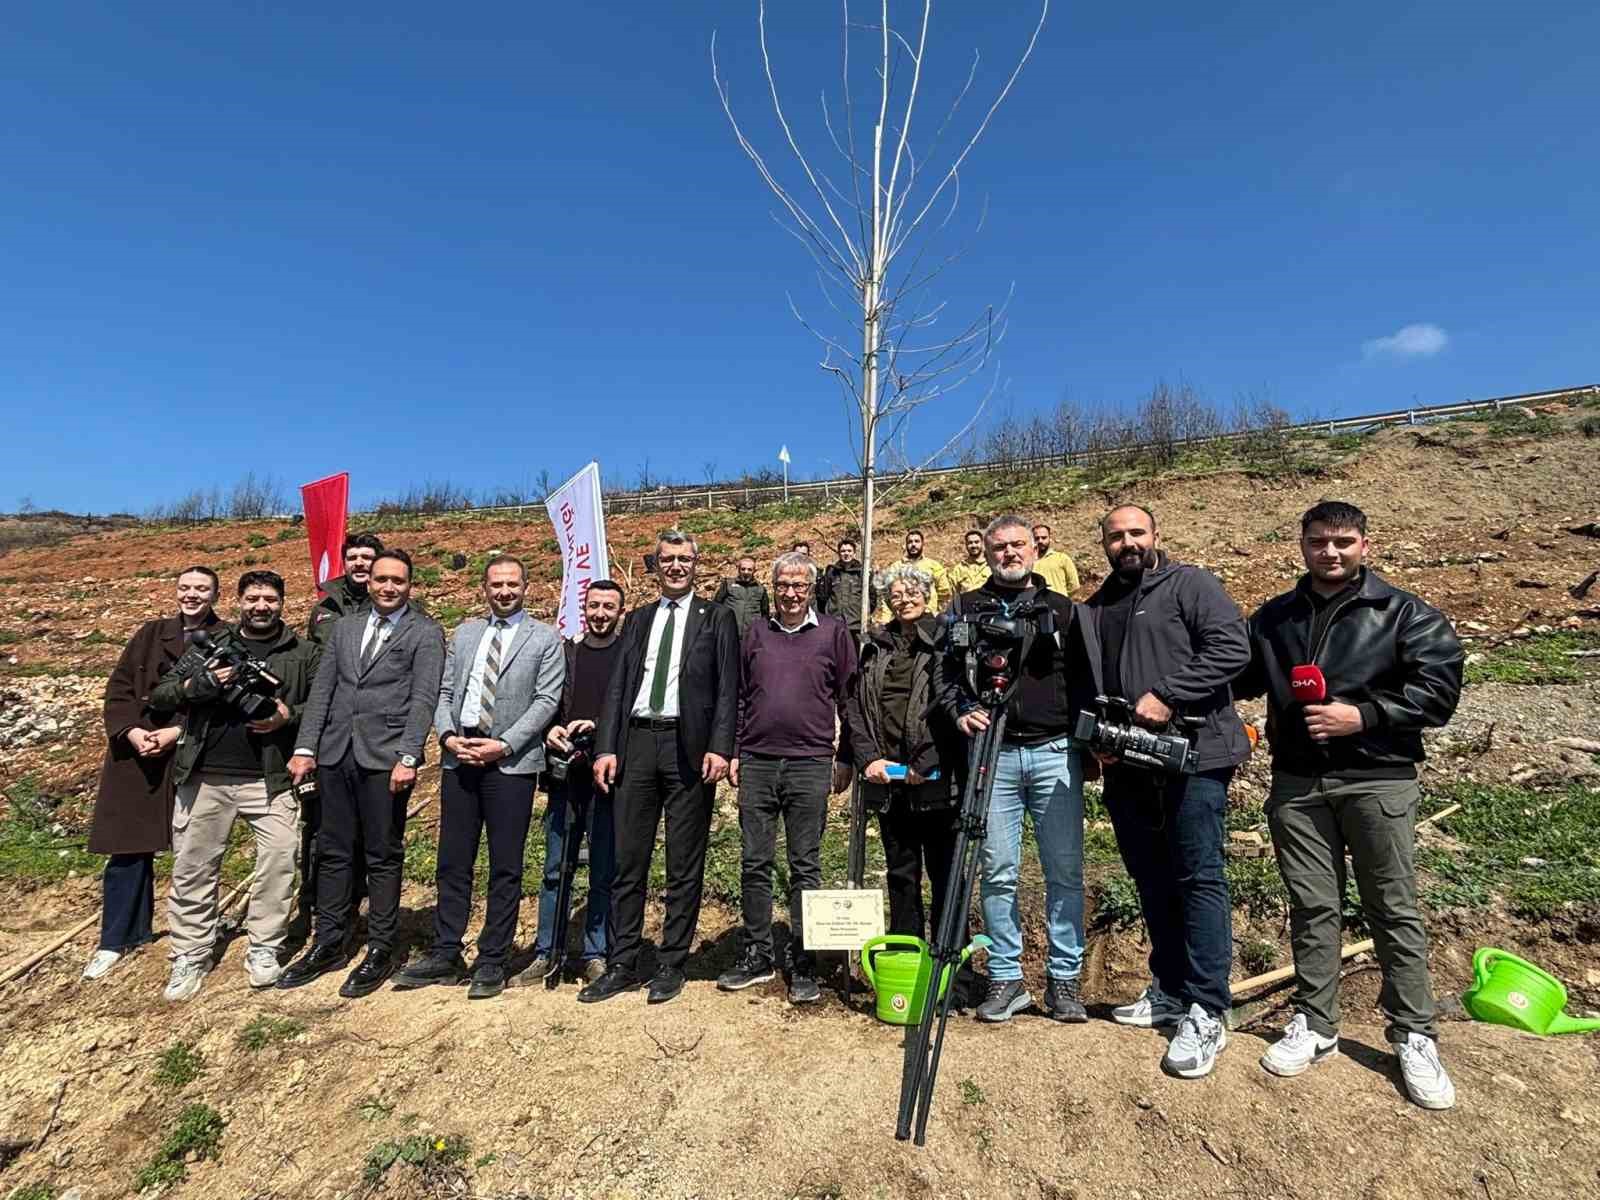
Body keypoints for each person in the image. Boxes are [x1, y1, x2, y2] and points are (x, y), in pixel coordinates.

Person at [1235, 501, 1463, 1109]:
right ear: (1301, 545)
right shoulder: (1275, 617)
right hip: (1297, 784)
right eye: (1318, 542)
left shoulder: (1403, 612)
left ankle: (1414, 1034)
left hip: (1377, 779)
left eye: (1343, 541)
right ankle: (1316, 1023)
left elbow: (1438, 692)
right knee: (1312, 905)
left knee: (1392, 906)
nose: (1330, 552)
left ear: (1365, 543)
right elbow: (1238, 675)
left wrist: (1361, 715)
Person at [1084, 504, 1251, 1080]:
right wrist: (1100, 742)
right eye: (1116, 536)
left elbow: (1233, 649)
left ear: (1156, 536)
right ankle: (1171, 988)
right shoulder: (1099, 606)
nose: (1126, 542)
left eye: (1136, 533)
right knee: (1151, 877)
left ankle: (1208, 1007)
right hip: (1131, 764)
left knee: (1198, 876)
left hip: (1196, 754)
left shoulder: (1192, 585)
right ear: (1103, 543)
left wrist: (1169, 694)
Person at [934, 515, 1086, 1024]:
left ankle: (1065, 981)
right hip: (991, 756)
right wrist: (959, 708)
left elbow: (1087, 679)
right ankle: (1006, 976)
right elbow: (944, 672)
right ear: (986, 554)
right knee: (997, 871)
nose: (1009, 553)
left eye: (1018, 544)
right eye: (999, 547)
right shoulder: (963, 607)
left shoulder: (1063, 611)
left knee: (1063, 869)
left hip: (1055, 751)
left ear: (1036, 549)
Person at [580, 529, 740, 1005]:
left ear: (697, 564)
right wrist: (606, 747)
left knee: (683, 861)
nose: (676, 566)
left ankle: (672, 962)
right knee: (629, 861)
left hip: (688, 748)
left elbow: (728, 688)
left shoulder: (718, 618)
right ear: (656, 565)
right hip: (636, 743)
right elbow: (619, 685)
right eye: (667, 558)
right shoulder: (638, 619)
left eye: (684, 559)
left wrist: (720, 745)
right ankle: (623, 961)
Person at [394, 556, 563, 1000]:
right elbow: (445, 691)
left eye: (512, 584)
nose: (504, 591)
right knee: (452, 861)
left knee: (505, 866)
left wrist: (504, 744)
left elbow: (546, 701)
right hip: (460, 756)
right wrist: (447, 736)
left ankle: (493, 958)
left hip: (510, 762)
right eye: (496, 584)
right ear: (484, 588)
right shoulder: (466, 633)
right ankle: (446, 951)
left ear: (526, 586)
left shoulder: (545, 638)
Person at [278, 550, 445, 998]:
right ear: (368, 581)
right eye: (381, 579)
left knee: (381, 854)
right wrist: (306, 747)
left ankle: (380, 947)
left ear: (411, 586)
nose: (389, 587)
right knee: (331, 851)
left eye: (399, 581)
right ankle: (329, 941)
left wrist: (409, 755)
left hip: (384, 759)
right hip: (335, 754)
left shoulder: (425, 632)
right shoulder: (347, 628)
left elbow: (423, 699)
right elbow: (324, 689)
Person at [151, 570, 320, 999]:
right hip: (204, 775)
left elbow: (320, 705)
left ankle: (265, 946)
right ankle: (190, 953)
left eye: (270, 598)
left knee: (280, 862)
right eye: (253, 598)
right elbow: (161, 696)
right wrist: (200, 684)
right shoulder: (212, 644)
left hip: (270, 777)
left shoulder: (302, 653)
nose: (261, 606)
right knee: (193, 866)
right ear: (239, 601)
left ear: (283, 602)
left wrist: (286, 717)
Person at [716, 552, 856, 1003]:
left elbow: (849, 699)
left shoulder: (834, 633)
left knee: (805, 867)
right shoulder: (755, 632)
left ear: (812, 588)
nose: (791, 593)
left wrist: (846, 756)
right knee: (755, 862)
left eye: (799, 585)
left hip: (810, 763)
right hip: (756, 762)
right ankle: (757, 953)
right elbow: (739, 697)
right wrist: (736, 751)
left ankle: (802, 961)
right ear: (772, 589)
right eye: (783, 585)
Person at [82, 567, 221, 981]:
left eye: (201, 589)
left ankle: (192, 940)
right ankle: (118, 937)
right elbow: (120, 689)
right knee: (128, 848)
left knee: (197, 851)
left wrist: (178, 732)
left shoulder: (224, 638)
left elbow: (224, 703)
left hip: (194, 752)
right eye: (185, 588)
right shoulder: (149, 634)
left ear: (215, 594)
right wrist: (134, 732)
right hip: (140, 753)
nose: (191, 595)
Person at [517, 579, 628, 987]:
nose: (600, 613)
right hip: (565, 774)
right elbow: (543, 699)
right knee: (554, 868)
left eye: (608, 607)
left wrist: (599, 728)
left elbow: (631, 711)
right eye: (594, 605)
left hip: (607, 776)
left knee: (603, 867)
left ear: (620, 611)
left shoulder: (627, 656)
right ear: (584, 607)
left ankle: (596, 953)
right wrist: (549, 730)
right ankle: (547, 951)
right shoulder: (566, 652)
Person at [846, 564, 964, 943]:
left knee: (946, 872)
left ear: (928, 593)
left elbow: (955, 704)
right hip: (889, 778)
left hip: (935, 779)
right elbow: (855, 706)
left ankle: (950, 969)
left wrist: (925, 761)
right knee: (900, 872)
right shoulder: (873, 647)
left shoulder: (947, 640)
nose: (904, 600)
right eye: (895, 594)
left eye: (912, 591)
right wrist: (868, 759)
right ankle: (906, 957)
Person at [307, 532, 385, 644]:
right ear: (344, 563)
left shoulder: (397, 605)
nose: (358, 563)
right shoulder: (324, 608)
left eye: (366, 557)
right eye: (352, 558)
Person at [874, 529, 949, 622]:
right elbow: (888, 596)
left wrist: (935, 610)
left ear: (923, 544)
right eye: (910, 542)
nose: (913, 544)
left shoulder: (934, 566)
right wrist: (885, 619)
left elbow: (944, 592)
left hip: (929, 618)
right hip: (904, 617)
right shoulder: (896, 567)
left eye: (917, 541)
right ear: (906, 545)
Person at [815, 537, 870, 637]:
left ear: (854, 553)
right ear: (839, 553)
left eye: (849, 551)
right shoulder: (831, 572)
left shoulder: (863, 572)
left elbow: (872, 598)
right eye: (843, 551)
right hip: (835, 624)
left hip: (857, 625)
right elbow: (823, 597)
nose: (846, 553)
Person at [712, 556, 770, 640]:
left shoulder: (760, 589)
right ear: (738, 569)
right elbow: (716, 606)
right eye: (743, 569)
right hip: (728, 633)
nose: (746, 572)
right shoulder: (728, 584)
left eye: (749, 569)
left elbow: (765, 614)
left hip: (751, 636)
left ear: (754, 571)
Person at [1032, 523, 1081, 597]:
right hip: (1036, 605)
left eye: (1044, 537)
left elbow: (1074, 585)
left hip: (1059, 605)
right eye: (1037, 538)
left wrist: (1061, 597)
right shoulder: (1028, 562)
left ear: (1050, 538)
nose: (1040, 541)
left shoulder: (1062, 558)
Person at [945, 530, 991, 598]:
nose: (973, 545)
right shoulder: (959, 569)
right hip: (967, 607)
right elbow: (953, 595)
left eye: (976, 542)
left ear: (982, 543)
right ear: (966, 545)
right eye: (970, 543)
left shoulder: (992, 566)